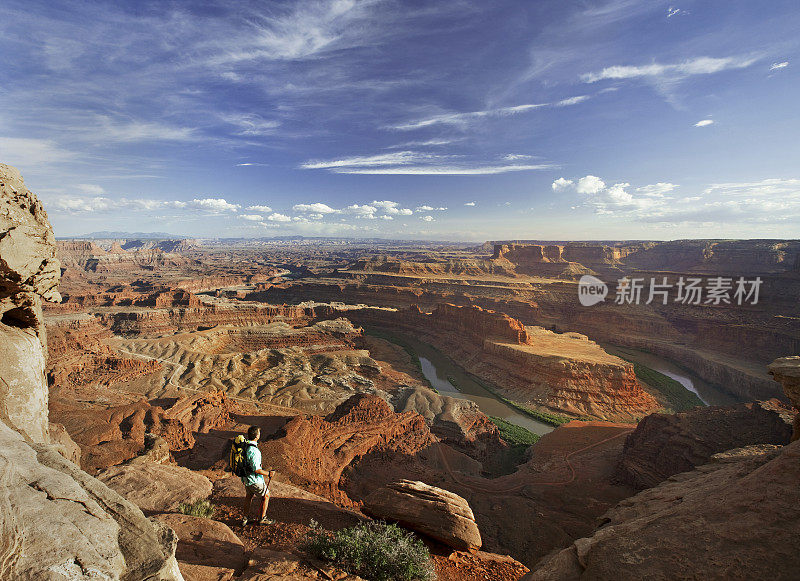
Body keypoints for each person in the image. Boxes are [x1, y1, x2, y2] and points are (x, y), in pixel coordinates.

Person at [240, 425, 275, 526]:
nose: (260, 434)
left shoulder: (245, 445)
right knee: (266, 495)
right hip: (254, 479)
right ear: (256, 436)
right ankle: (262, 518)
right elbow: (257, 470)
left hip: (246, 478)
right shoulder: (254, 450)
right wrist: (268, 473)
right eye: (259, 433)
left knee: (249, 496)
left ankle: (245, 518)